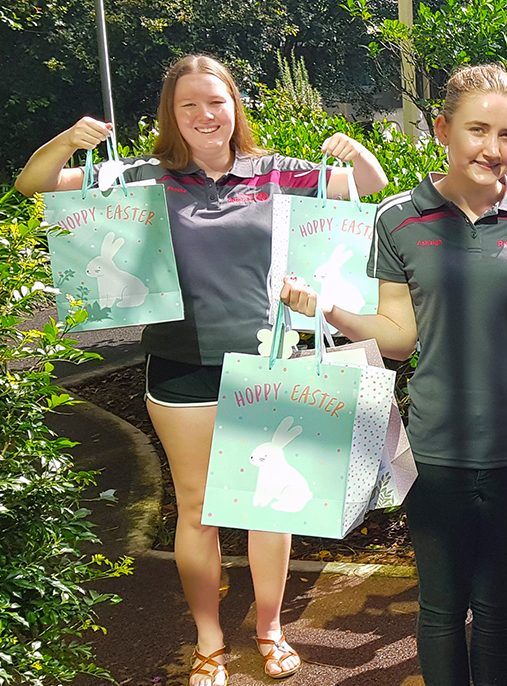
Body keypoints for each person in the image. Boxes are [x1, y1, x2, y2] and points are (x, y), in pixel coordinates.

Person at [15, 55, 388, 685]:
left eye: (214, 101)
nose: (204, 115)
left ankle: (269, 628)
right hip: (179, 365)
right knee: (198, 510)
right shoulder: (143, 176)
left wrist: (354, 150)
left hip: (267, 360)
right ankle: (209, 641)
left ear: (233, 105)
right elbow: (35, 184)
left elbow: (368, 185)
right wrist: (66, 141)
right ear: (172, 115)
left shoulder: (275, 173)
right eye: (188, 105)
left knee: (268, 509)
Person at [281, 64, 507, 686]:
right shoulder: (398, 219)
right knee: (442, 610)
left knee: (499, 609)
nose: (493, 149)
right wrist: (329, 310)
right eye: (478, 130)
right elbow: (398, 337)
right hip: (438, 449)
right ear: (444, 129)